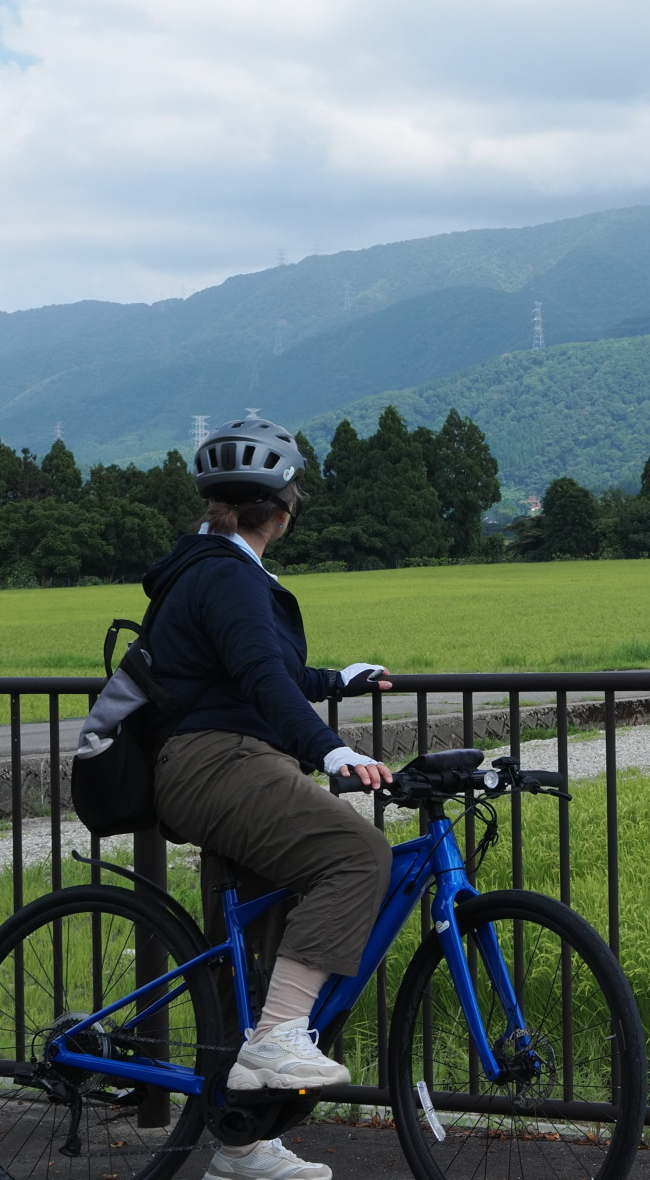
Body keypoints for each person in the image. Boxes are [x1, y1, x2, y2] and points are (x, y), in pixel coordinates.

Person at [141, 416, 395, 1180]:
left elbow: (258, 671)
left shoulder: (218, 569)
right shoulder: (226, 574)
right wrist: (334, 749)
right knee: (357, 853)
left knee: (254, 953)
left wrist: (334, 682)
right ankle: (275, 1039)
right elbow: (255, 680)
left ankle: (242, 1144)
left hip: (223, 759)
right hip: (215, 762)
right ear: (283, 511)